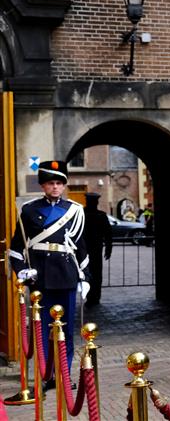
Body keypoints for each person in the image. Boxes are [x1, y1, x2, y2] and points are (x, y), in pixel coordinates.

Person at [9, 160, 89, 388]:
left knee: (66, 330)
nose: (55, 187)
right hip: (40, 276)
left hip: (66, 276)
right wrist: (21, 270)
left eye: (59, 183)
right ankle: (47, 375)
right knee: (43, 330)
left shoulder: (75, 210)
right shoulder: (29, 210)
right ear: (43, 185)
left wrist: (85, 277)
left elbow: (81, 247)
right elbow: (16, 247)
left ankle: (65, 374)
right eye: (50, 183)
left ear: (64, 186)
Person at [83, 192, 112, 307]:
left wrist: (109, 248)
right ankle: (93, 297)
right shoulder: (97, 215)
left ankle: (93, 297)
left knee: (93, 273)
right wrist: (108, 248)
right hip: (88, 249)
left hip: (92, 249)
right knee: (93, 273)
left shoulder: (96, 215)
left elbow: (108, 233)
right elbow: (108, 234)